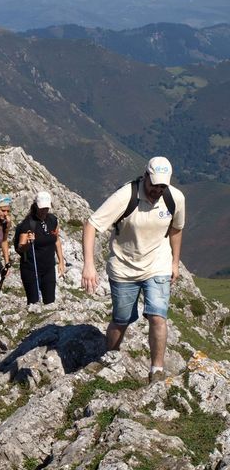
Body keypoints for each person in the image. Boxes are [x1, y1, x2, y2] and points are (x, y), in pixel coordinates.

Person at [81, 156, 185, 384]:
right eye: (154, 184)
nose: (157, 189)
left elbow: (176, 229)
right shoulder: (125, 197)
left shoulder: (174, 198)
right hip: (124, 268)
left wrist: (175, 262)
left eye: (162, 185)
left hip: (157, 264)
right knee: (121, 319)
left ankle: (156, 370)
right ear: (145, 176)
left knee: (158, 316)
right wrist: (88, 265)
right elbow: (91, 225)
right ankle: (111, 357)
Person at [15, 191, 65, 305]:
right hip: (32, 269)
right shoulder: (28, 225)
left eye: (47, 208)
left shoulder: (53, 220)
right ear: (36, 206)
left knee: (50, 301)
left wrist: (61, 261)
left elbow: (56, 240)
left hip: (49, 268)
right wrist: (28, 242)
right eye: (42, 208)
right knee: (34, 302)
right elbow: (20, 248)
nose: (45, 211)